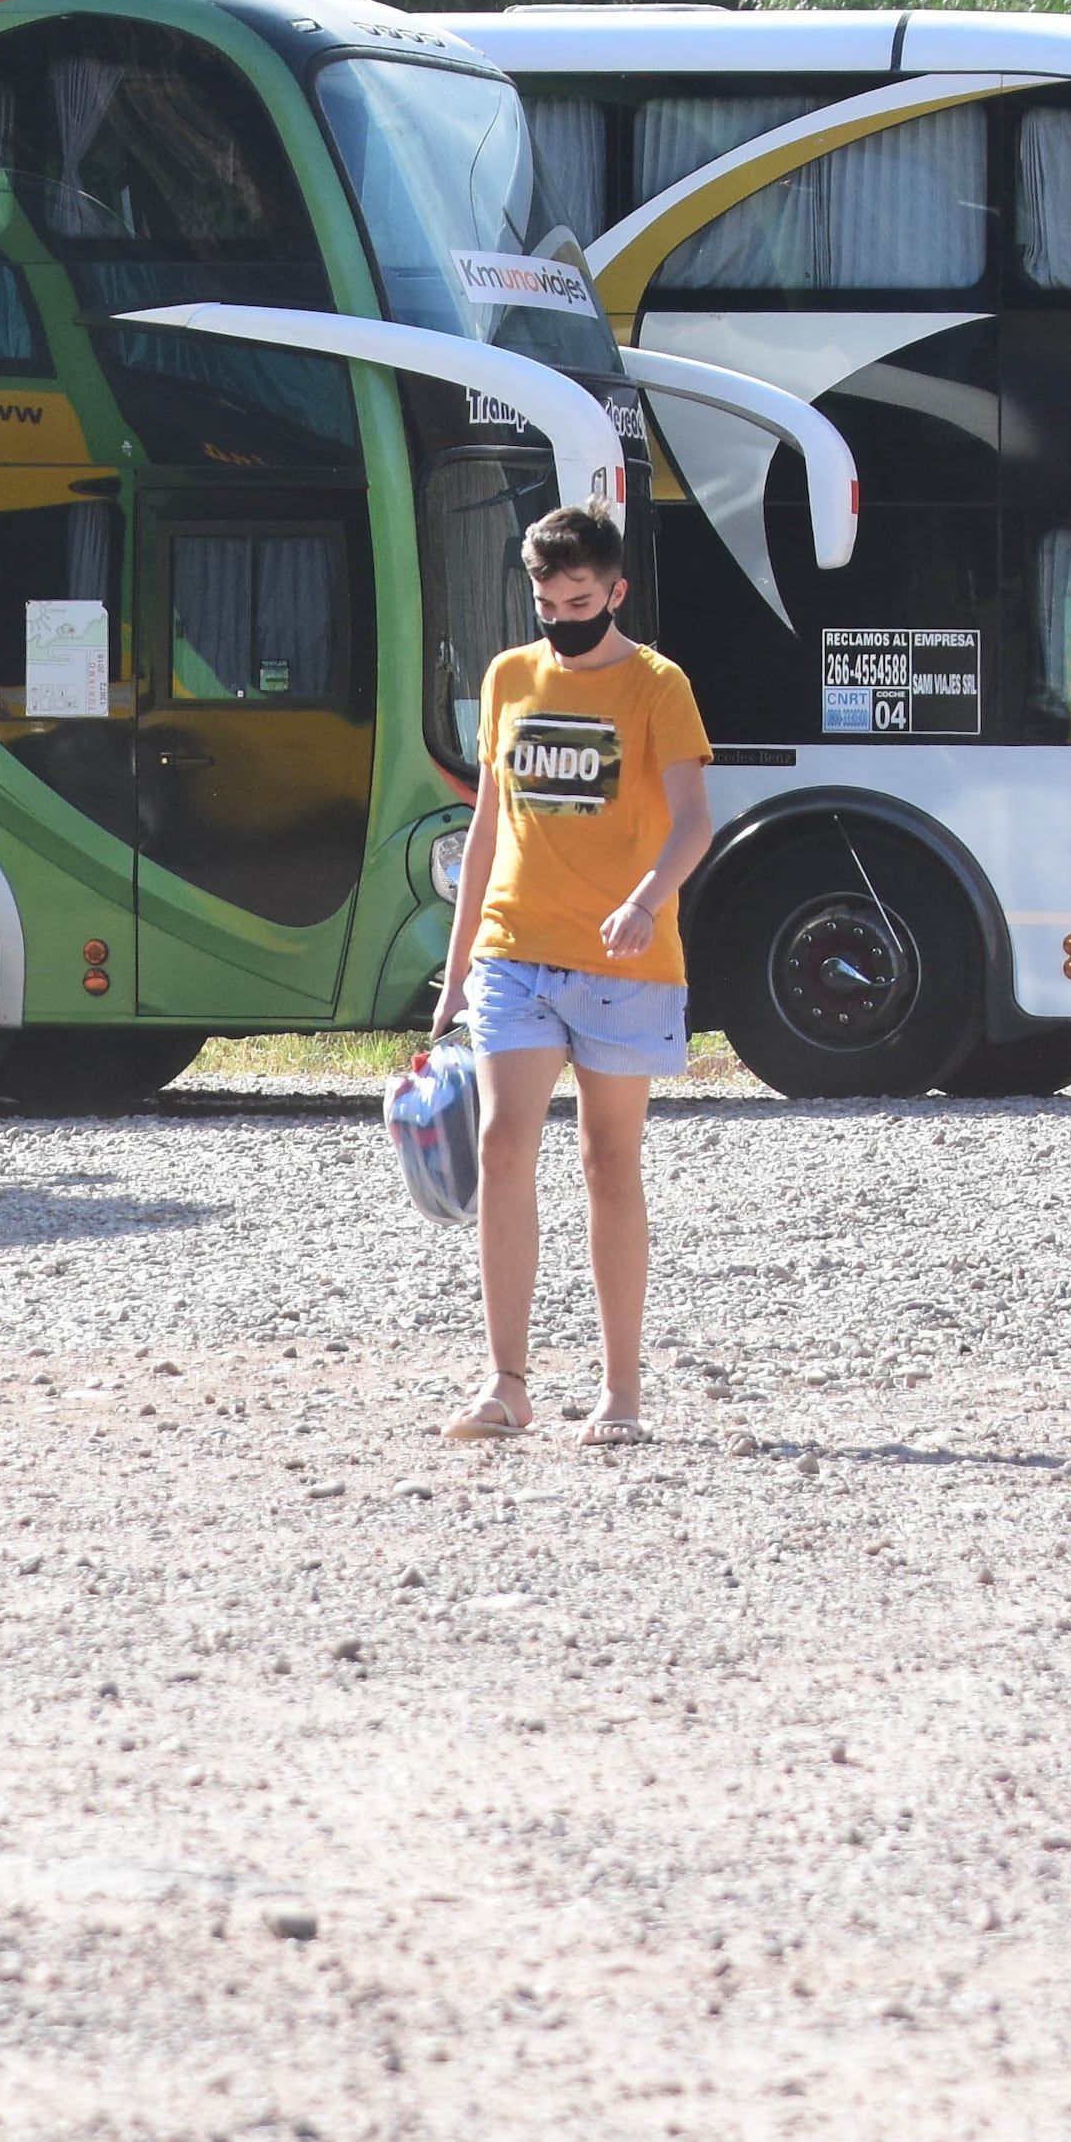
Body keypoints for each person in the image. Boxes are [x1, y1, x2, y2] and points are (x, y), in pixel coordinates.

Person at [423, 502, 715, 1448]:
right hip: (516, 951)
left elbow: (694, 823)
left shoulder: (659, 686)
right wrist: (457, 959)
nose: (560, 614)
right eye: (546, 599)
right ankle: (507, 1382)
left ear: (616, 590)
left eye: (579, 597)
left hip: (624, 963)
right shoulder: (511, 676)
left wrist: (644, 899)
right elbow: (487, 828)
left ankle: (621, 1389)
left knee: (606, 1159)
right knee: (504, 1145)